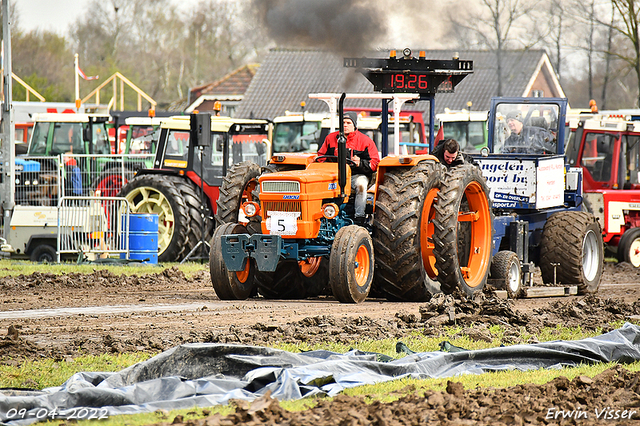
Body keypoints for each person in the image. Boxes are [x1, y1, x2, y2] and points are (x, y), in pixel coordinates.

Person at [317, 112, 380, 220]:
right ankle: (322, 214)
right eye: (343, 123)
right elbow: (321, 156)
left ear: (354, 125)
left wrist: (360, 163)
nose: (345, 125)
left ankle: (359, 216)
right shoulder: (330, 138)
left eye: (348, 123)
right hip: (334, 176)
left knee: (361, 185)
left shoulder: (365, 141)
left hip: (356, 175)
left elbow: (374, 163)